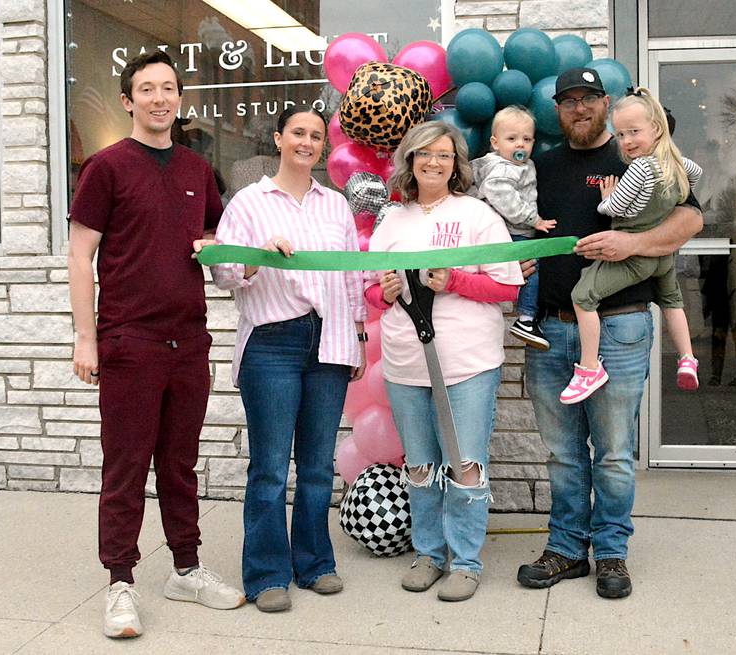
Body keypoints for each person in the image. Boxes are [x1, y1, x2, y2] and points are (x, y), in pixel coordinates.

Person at [67, 50, 244, 640]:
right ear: (129, 100)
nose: (160, 98)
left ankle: (186, 569)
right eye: (148, 89)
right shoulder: (106, 167)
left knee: (179, 465)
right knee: (124, 468)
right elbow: (79, 255)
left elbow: (217, 239)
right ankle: (120, 582)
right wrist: (85, 340)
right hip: (129, 341)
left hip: (188, 342)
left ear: (179, 97)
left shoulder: (197, 169)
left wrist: (240, 249)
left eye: (169, 88)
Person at [515, 68, 703, 598]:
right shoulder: (541, 166)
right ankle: (567, 549)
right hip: (551, 330)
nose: (579, 109)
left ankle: (613, 552)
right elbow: (521, 225)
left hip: (619, 327)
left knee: (614, 452)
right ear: (558, 110)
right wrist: (519, 259)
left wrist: (633, 246)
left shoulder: (639, 157)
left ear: (606, 104)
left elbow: (690, 220)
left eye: (589, 99)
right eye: (568, 101)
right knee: (561, 452)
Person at [207, 106, 367, 614]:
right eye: (298, 132)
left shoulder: (336, 205)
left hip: (330, 342)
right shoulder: (248, 203)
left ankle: (315, 563)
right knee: (272, 467)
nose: (307, 142)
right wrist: (258, 253)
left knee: (318, 466)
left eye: (316, 136)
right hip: (272, 343)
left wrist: (358, 334)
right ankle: (267, 573)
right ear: (278, 138)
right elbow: (224, 272)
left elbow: (347, 277)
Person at [365, 121, 524, 602]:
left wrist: (455, 281)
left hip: (467, 363)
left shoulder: (478, 215)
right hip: (405, 363)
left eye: (444, 155)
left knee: (465, 463)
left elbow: (508, 286)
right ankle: (430, 554)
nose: (434, 162)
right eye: (424, 154)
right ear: (409, 161)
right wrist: (383, 293)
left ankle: (467, 561)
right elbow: (371, 291)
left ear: (457, 164)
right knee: (418, 464)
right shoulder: (391, 221)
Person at [560, 88, 703, 404]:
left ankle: (588, 368)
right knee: (671, 299)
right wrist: (671, 200)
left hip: (635, 256)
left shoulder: (639, 167)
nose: (626, 141)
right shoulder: (678, 164)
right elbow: (696, 177)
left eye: (634, 132)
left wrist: (606, 199)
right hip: (663, 256)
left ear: (656, 128)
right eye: (621, 133)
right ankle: (687, 357)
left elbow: (615, 208)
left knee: (583, 295)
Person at [471, 105, 557, 350]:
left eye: (527, 139)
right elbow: (500, 194)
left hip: (509, 228)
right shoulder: (503, 168)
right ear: (495, 142)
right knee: (532, 267)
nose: (520, 145)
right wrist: (533, 219)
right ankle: (526, 319)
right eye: (512, 139)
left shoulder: (520, 164)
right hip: (510, 229)